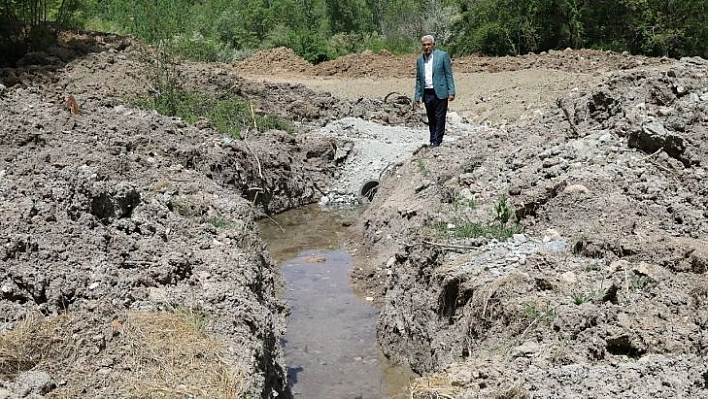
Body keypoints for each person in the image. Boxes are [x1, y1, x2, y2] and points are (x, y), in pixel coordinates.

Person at [413, 35, 456, 147]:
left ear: (433, 45)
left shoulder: (442, 56)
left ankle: (437, 141)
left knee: (440, 118)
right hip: (427, 93)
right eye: (424, 45)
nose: (426, 47)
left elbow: (448, 74)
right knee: (431, 118)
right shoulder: (420, 60)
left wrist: (451, 91)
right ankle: (432, 139)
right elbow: (418, 79)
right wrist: (417, 96)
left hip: (440, 92)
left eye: (428, 44)